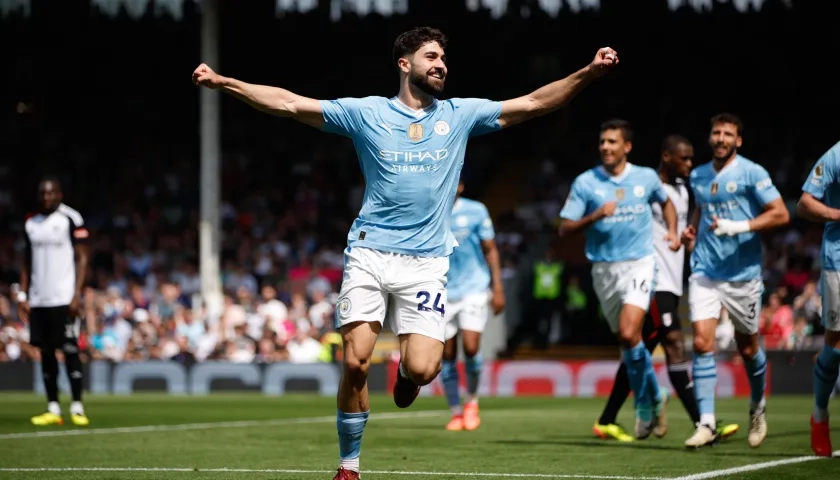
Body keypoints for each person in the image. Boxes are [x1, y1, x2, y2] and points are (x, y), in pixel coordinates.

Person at [192, 26, 618, 480]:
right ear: (404, 64)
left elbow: (533, 103)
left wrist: (589, 73)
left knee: (423, 367)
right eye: (431, 56)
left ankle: (408, 375)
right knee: (354, 360)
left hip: (427, 264)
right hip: (370, 252)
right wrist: (225, 83)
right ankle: (348, 466)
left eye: (443, 59)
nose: (441, 65)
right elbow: (290, 103)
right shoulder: (367, 114)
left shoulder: (459, 115)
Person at [592, 135, 739, 442]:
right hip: (650, 280)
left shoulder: (685, 190)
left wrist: (687, 235)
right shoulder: (643, 187)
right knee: (673, 344)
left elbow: (687, 224)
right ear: (667, 157)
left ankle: (609, 418)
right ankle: (703, 422)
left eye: (690, 159)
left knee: (638, 351)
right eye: (683, 159)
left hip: (674, 281)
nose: (689, 164)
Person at [559, 119, 679, 439]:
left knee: (629, 332)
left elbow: (666, 203)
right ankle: (655, 395)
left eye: (612, 142)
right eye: (602, 142)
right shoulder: (586, 183)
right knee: (628, 343)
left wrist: (671, 231)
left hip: (639, 263)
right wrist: (595, 215)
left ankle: (642, 401)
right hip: (603, 270)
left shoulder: (646, 177)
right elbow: (564, 228)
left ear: (627, 147)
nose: (605, 147)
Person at [680, 113, 789, 448]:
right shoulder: (697, 175)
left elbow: (781, 213)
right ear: (710, 137)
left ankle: (757, 406)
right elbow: (699, 209)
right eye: (716, 133)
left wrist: (739, 227)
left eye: (728, 134)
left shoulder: (752, 172)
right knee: (700, 342)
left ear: (738, 140)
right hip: (705, 271)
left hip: (743, 275)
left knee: (748, 348)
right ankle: (707, 423)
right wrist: (692, 231)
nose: (721, 138)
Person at [17, 177, 90, 427]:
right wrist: (23, 295)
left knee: (70, 350)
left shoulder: (71, 218)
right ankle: (53, 408)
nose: (47, 197)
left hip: (64, 296)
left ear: (59, 193)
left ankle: (77, 406)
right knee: (46, 352)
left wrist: (76, 293)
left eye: (51, 193)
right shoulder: (31, 223)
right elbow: (26, 262)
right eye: (43, 193)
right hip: (39, 298)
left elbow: (82, 258)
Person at [441, 179, 505, 431]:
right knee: (446, 353)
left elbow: (490, 249)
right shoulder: (432, 209)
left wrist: (497, 287)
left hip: (474, 288)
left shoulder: (476, 210)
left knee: (470, 347)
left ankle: (472, 402)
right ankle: (455, 412)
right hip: (443, 290)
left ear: (461, 186)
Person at [797, 140, 840, 457]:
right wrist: (836, 213)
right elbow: (804, 204)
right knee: (835, 346)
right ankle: (820, 414)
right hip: (838, 260)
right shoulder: (836, 155)